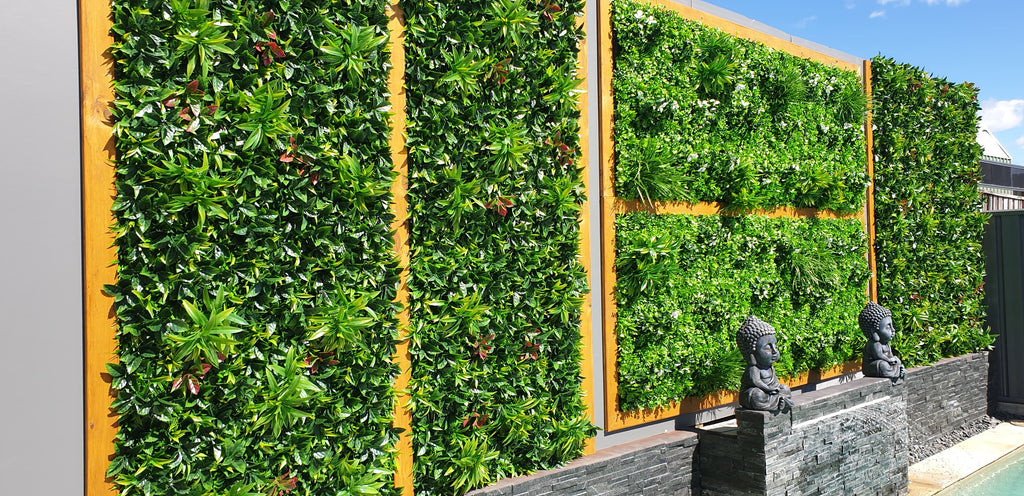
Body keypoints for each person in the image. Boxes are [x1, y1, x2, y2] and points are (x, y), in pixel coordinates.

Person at [736, 315, 793, 413]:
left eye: (775, 346)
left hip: (770, 392)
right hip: (759, 393)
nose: (774, 351)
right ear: (752, 352)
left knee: (785, 389)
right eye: (767, 347)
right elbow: (756, 382)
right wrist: (768, 389)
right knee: (756, 395)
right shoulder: (753, 369)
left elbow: (775, 382)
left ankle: (780, 401)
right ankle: (778, 403)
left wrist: (775, 388)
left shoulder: (769, 367)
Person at [859, 302, 906, 380]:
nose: (893, 330)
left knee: (897, 360)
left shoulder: (886, 343)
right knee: (882, 365)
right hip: (872, 366)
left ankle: (899, 371)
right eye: (888, 327)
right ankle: (895, 372)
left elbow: (890, 354)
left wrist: (894, 360)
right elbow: (879, 355)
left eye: (892, 326)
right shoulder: (874, 344)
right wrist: (889, 360)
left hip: (887, 362)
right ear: (874, 332)